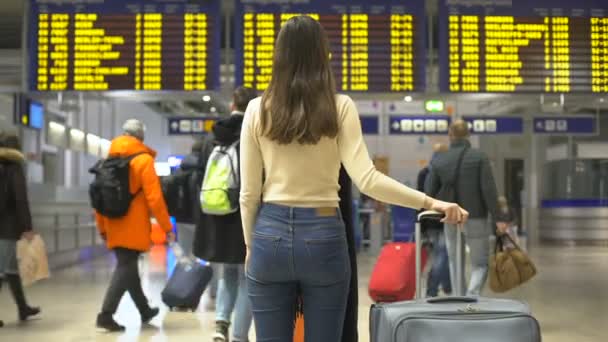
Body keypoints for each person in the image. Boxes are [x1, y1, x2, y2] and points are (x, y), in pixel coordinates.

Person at [239, 16, 468, 342]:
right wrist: (430, 202)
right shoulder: (339, 107)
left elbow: (248, 194)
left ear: (279, 56)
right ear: (323, 55)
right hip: (323, 234)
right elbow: (368, 179)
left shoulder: (255, 110)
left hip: (268, 235)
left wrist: (251, 244)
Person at [95, 119, 174, 332]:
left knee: (128, 268)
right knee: (125, 268)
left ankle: (144, 310)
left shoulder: (108, 160)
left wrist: (102, 226)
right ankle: (106, 315)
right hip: (133, 225)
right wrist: (167, 227)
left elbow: (99, 197)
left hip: (112, 222)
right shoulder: (143, 160)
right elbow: (155, 198)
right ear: (141, 138)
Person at [192, 86, 258, 342]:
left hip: (216, 215)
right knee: (246, 278)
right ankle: (240, 335)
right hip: (243, 215)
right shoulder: (253, 134)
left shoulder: (212, 137)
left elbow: (200, 178)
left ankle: (221, 325)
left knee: (227, 273)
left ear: (232, 105)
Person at [426, 120, 505, 296]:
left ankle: (459, 298)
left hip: (450, 217)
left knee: (454, 261)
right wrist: (499, 218)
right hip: (476, 216)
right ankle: (472, 295)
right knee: (480, 263)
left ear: (450, 135)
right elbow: (489, 190)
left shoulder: (440, 160)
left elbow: (429, 192)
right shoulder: (479, 157)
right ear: (468, 135)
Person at [0, 132, 40, 328]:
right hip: (7, 226)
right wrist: (27, 226)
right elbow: (20, 198)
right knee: (2, 270)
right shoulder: (14, 167)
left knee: (10, 270)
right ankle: (23, 307)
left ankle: (23, 307)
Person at [417, 143, 452, 297]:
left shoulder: (423, 173)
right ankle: (432, 290)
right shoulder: (449, 172)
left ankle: (447, 285)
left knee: (440, 254)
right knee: (442, 255)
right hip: (445, 220)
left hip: (428, 220)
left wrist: (421, 225)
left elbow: (419, 199)